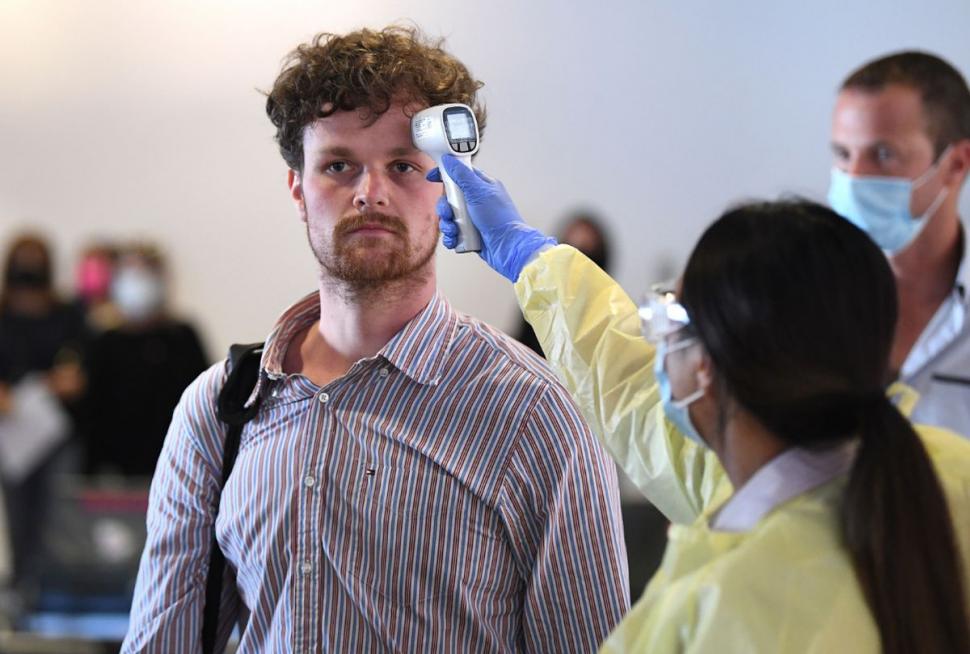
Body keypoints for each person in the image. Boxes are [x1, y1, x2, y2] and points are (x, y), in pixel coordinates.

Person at [122, 27, 629, 653]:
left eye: (403, 166)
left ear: (449, 185)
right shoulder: (220, 411)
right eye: (338, 166)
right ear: (298, 190)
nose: (370, 193)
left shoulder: (533, 415)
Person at [434, 160, 970, 650]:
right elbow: (633, 392)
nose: (657, 334)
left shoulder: (733, 608)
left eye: (670, 311)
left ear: (708, 367)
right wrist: (531, 256)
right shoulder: (933, 471)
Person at [827, 51, 970, 436]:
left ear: (956, 163)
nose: (854, 177)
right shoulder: (797, 296)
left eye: (883, 154)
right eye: (843, 154)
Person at [0, 233, 87, 588]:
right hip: (12, 432)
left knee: (59, 514)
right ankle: (22, 588)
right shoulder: (4, 315)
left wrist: (64, 381)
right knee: (19, 516)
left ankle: (56, 587)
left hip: (58, 433)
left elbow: (81, 368)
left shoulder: (67, 315)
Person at [81, 244, 208, 476]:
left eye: (145, 273)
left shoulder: (182, 337)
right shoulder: (105, 343)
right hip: (117, 473)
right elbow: (93, 414)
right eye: (130, 274)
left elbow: (203, 405)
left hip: (178, 466)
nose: (137, 283)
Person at [514, 210, 612, 356]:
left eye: (585, 254)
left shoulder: (611, 309)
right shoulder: (539, 294)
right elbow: (521, 342)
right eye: (571, 249)